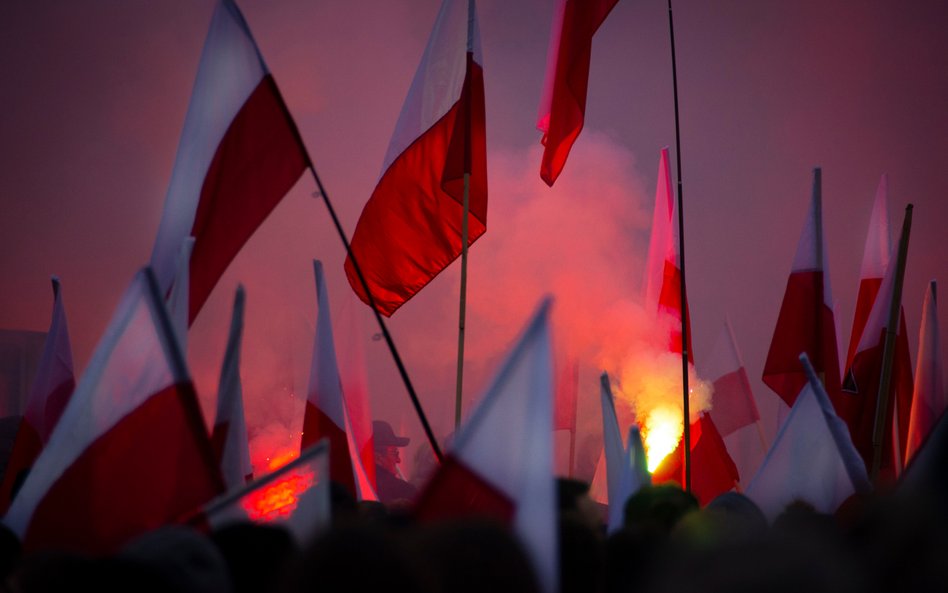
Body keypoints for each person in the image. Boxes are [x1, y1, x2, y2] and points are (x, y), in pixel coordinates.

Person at [372, 420, 417, 506]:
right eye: (394, 453)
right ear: (377, 457)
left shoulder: (354, 485)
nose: (398, 460)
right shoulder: (404, 491)